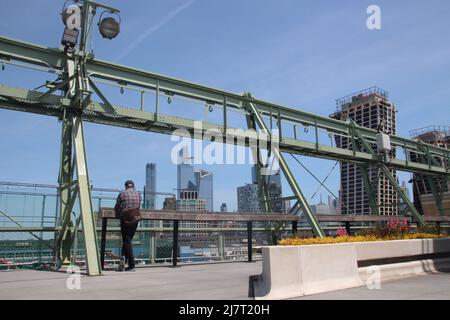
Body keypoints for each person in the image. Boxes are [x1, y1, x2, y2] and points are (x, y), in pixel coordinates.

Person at [114, 180, 141, 271]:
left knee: (127, 241)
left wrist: (119, 213)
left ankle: (132, 265)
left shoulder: (122, 194)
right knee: (127, 241)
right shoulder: (138, 194)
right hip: (135, 219)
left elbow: (117, 207)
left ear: (126, 186)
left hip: (125, 219)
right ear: (133, 186)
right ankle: (122, 263)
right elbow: (138, 205)